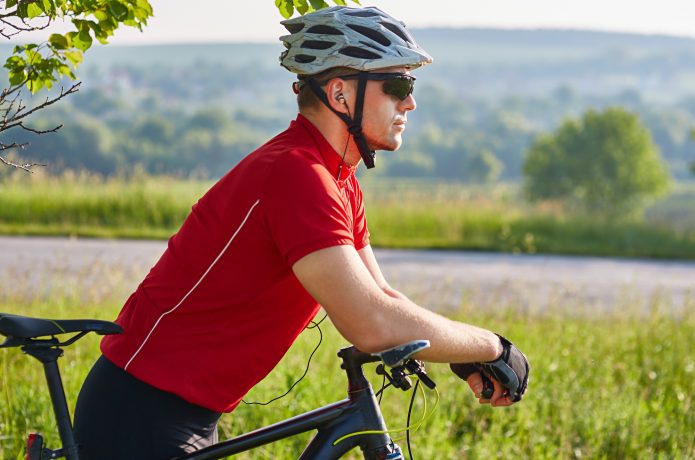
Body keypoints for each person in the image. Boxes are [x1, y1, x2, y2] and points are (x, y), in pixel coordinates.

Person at [73, 6, 529, 459]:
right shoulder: (296, 175)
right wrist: (493, 344)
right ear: (340, 93)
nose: (410, 102)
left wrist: (463, 351)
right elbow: (371, 325)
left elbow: (384, 298)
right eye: (397, 85)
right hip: (140, 412)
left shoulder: (337, 180)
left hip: (180, 410)